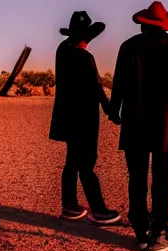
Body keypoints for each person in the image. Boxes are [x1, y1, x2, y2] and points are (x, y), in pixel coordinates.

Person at [109, 1, 168, 251]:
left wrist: (115, 111)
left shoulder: (128, 46)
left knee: (136, 177)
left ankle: (140, 232)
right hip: (165, 125)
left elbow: (118, 83)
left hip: (135, 122)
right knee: (161, 179)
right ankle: (159, 232)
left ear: (143, 23)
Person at [49, 11, 122, 225]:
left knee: (72, 161)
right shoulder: (85, 57)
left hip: (67, 117)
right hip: (84, 119)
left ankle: (69, 205)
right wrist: (111, 111)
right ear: (85, 38)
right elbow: (97, 89)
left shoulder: (62, 51)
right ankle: (99, 210)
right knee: (87, 163)